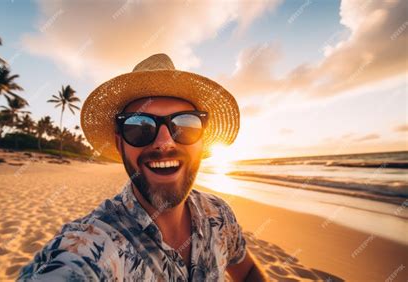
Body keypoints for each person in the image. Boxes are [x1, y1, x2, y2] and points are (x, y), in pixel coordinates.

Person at [18, 54, 266, 281]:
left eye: (185, 125)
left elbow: (248, 271)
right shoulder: (94, 244)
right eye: (140, 127)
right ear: (120, 143)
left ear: (202, 139)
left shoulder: (220, 215)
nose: (164, 142)